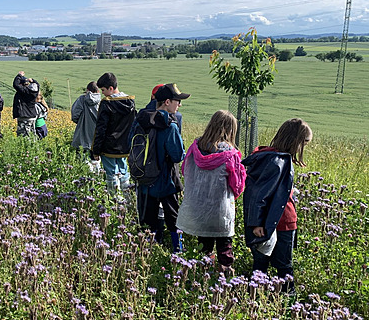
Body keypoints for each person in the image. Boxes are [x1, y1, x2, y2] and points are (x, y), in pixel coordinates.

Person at [242, 118, 313, 293]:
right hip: (281, 221)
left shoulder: (268, 156)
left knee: (261, 263)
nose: (302, 148)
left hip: (270, 221)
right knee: (284, 267)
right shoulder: (279, 162)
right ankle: (288, 300)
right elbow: (261, 194)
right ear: (295, 141)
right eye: (303, 143)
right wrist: (257, 222)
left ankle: (255, 295)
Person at [176, 111, 246, 271]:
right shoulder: (230, 155)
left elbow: (185, 170)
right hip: (220, 208)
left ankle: (202, 273)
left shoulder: (196, 147)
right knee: (224, 245)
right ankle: (225, 275)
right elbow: (237, 185)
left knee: (204, 244)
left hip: (199, 206)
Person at [132, 83, 188, 252]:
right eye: (177, 101)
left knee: (148, 219)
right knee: (173, 217)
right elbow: (177, 155)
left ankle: (148, 249)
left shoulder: (140, 120)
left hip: (144, 178)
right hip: (166, 180)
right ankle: (178, 249)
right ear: (167, 102)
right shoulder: (170, 126)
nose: (179, 105)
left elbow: (131, 144)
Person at [91, 72, 136, 196]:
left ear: (111, 88)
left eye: (104, 90)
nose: (103, 93)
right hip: (125, 147)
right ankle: (127, 200)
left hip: (109, 147)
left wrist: (95, 150)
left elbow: (100, 129)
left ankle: (114, 200)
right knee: (123, 172)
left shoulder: (107, 103)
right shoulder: (130, 103)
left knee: (111, 175)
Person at [71, 81, 101, 152]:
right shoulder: (101, 101)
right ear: (98, 90)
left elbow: (75, 114)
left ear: (87, 90)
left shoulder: (82, 99)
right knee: (94, 160)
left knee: (80, 159)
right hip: (96, 137)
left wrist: (80, 122)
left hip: (81, 136)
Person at [12, 71, 39, 137]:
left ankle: (25, 147)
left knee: (23, 135)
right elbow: (37, 85)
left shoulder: (25, 91)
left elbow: (16, 85)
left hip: (24, 116)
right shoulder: (35, 91)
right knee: (32, 134)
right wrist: (33, 81)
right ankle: (34, 146)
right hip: (32, 115)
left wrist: (19, 75)